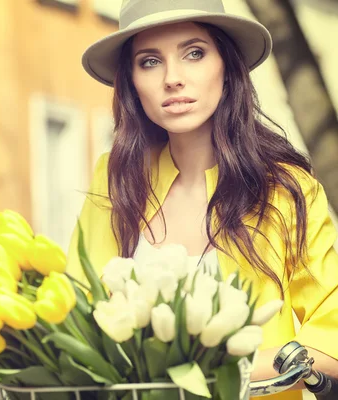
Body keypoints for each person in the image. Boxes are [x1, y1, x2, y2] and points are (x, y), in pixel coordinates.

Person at [65, 1, 338, 399]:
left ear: (226, 67)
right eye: (149, 61)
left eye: (194, 53)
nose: (173, 79)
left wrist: (211, 370)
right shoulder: (115, 180)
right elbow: (75, 315)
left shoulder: (285, 188)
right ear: (132, 81)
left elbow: (331, 335)